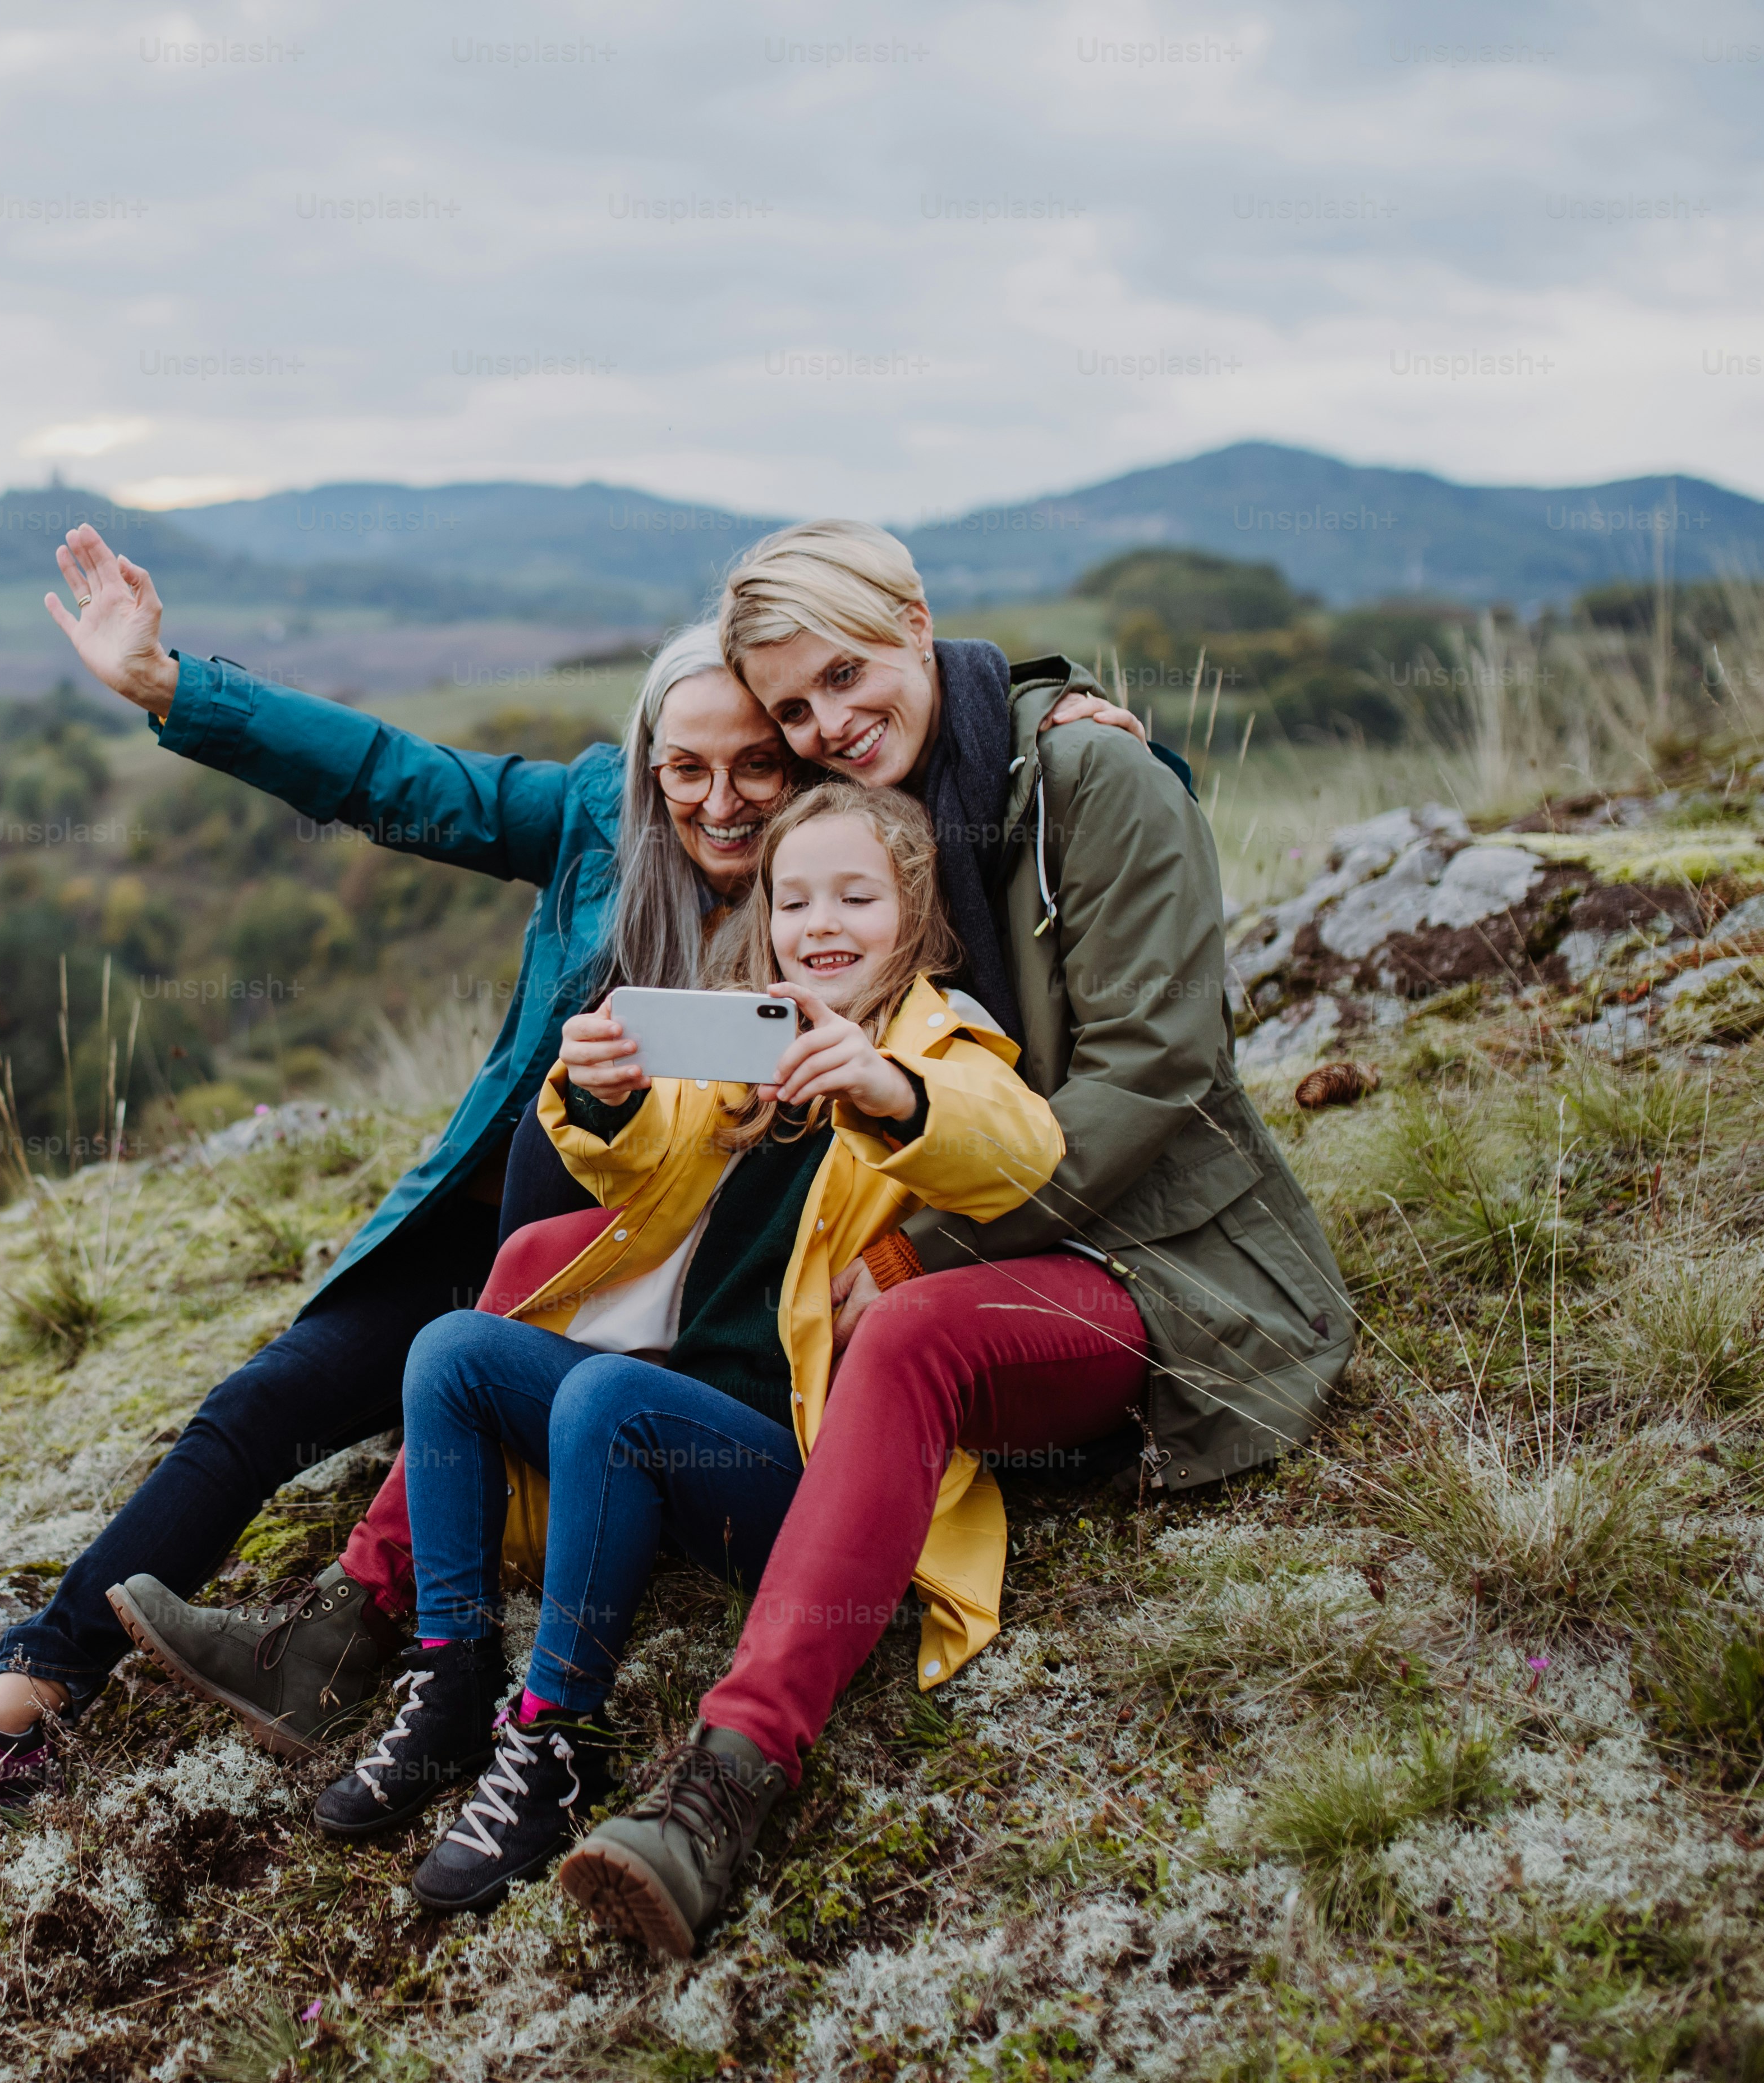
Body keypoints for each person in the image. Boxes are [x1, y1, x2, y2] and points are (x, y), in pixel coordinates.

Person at [0, 524, 1128, 1852]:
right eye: (687, 769)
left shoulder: (842, 891)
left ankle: (385, 1645)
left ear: (802, 773)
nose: (721, 801)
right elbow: (394, 776)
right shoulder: (594, 826)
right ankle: (19, 1702)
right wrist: (168, 686)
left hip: (675, 1314)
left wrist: (1057, 702)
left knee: (527, 1306)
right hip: (509, 1258)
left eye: (757, 767)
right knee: (263, 1398)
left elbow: (964, 776)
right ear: (648, 764)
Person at [554, 520, 1353, 1959]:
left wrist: (928, 1244)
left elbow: (1155, 1075)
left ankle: (726, 1781)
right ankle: (388, 1622)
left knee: (911, 1327)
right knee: (561, 1253)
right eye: (796, 709)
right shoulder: (871, 795)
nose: (827, 725)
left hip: (1158, 1255)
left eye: (848, 675)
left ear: (918, 622)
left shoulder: (1092, 777)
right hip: (951, 1220)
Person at [318, 784, 1064, 1914]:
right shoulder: (741, 1046)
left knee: (614, 1393)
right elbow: (634, 1161)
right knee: (454, 1350)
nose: (821, 924)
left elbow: (1017, 1152)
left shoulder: (941, 1041)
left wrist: (889, 1087)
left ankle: (560, 1734)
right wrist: (597, 1088)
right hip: (675, 1432)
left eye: (856, 897)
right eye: (795, 897)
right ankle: (452, 1672)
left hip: (799, 1473)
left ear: (913, 916)